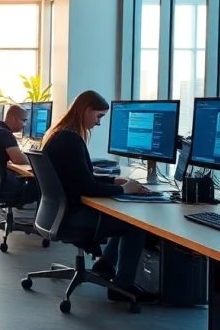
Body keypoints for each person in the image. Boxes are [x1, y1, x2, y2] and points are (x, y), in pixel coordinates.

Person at [41, 90, 154, 303]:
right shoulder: (70, 139)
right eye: (98, 117)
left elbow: (78, 178)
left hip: (56, 213)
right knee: (136, 225)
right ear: (86, 110)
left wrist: (114, 181)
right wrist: (125, 190)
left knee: (122, 219)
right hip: (71, 217)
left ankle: (104, 265)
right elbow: (87, 188)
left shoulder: (60, 134)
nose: (99, 123)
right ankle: (122, 287)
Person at [0, 104, 38, 202]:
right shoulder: (5, 134)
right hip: (3, 183)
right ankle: (41, 217)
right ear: (15, 119)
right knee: (41, 184)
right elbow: (19, 160)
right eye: (24, 120)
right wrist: (38, 162)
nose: (25, 125)